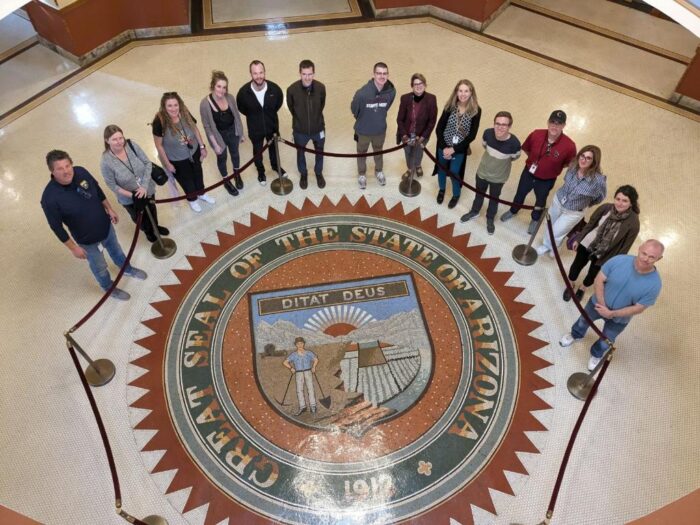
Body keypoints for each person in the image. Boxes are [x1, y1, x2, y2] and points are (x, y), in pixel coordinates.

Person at [41, 150, 147, 301]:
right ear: (52, 171)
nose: (66, 171)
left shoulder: (81, 172)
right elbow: (56, 227)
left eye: (67, 165)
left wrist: (109, 208)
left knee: (116, 250)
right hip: (87, 241)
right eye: (60, 168)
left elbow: (97, 190)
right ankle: (108, 287)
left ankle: (127, 269)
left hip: (106, 227)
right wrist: (74, 248)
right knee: (99, 267)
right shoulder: (49, 198)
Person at [559, 239, 663, 371]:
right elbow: (599, 279)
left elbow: (639, 308)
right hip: (596, 304)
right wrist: (602, 304)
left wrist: (612, 313)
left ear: (659, 259)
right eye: (644, 253)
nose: (646, 259)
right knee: (583, 321)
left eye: (652, 257)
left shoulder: (655, 284)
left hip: (620, 319)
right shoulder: (619, 260)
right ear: (639, 248)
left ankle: (596, 354)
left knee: (607, 339)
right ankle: (575, 334)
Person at [500, 110, 577, 234]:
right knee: (520, 193)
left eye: (559, 123)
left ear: (563, 126)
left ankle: (535, 219)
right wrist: (535, 161)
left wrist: (551, 167)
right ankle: (513, 210)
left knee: (540, 200)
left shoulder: (569, 145)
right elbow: (527, 149)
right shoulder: (536, 134)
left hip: (547, 179)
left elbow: (569, 163)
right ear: (547, 122)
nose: (554, 126)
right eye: (552, 122)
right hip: (528, 173)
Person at [563, 185, 640, 303]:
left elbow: (625, 247)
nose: (620, 203)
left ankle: (583, 288)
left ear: (631, 203)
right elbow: (590, 225)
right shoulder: (605, 208)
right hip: (588, 243)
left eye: (625, 201)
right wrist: (578, 239)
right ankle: (571, 284)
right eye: (618, 199)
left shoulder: (634, 222)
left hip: (606, 254)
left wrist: (615, 264)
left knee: (593, 273)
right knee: (576, 265)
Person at [100, 125, 168, 243]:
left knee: (152, 209)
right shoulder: (106, 161)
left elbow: (147, 163)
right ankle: (149, 232)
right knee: (140, 218)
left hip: (147, 189)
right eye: (114, 139)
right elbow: (111, 185)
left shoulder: (131, 145)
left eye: (121, 138)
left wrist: (144, 186)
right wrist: (133, 195)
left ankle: (156, 227)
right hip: (130, 198)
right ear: (107, 141)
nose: (119, 142)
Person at [535, 145, 607, 257]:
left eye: (588, 158)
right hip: (558, 201)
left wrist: (586, 204)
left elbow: (600, 197)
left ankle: (554, 246)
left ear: (594, 162)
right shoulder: (573, 166)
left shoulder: (598, 181)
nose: (583, 160)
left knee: (557, 231)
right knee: (549, 225)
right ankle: (546, 245)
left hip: (574, 212)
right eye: (582, 156)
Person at [460, 111, 521, 234]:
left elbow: (515, 157)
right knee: (479, 194)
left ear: (509, 127)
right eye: (497, 123)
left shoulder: (514, 143)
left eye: (504, 124)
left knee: (494, 199)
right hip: (482, 172)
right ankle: (475, 211)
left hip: (498, 178)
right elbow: (485, 146)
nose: (500, 127)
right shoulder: (487, 133)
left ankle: (490, 218)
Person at [152, 92, 213, 213]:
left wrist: (202, 146)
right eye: (169, 106)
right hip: (177, 159)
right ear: (164, 107)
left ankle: (201, 193)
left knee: (198, 174)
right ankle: (192, 199)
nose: (173, 108)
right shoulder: (159, 121)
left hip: (193, 152)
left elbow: (195, 129)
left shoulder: (184, 112)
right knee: (186, 181)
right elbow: (158, 145)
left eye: (176, 105)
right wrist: (168, 164)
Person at [434, 79, 481, 209]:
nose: (463, 94)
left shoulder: (476, 111)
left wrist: (453, 149)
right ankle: (442, 190)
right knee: (441, 168)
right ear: (456, 92)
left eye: (466, 91)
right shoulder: (449, 106)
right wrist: (444, 148)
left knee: (455, 172)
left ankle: (456, 194)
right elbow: (439, 128)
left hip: (459, 148)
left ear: (471, 93)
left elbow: (472, 135)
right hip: (443, 145)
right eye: (460, 90)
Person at [236, 60, 284, 186]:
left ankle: (276, 167)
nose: (259, 76)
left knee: (274, 149)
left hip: (272, 127)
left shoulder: (275, 89)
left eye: (261, 72)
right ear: (250, 74)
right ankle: (261, 172)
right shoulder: (243, 93)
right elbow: (242, 108)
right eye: (255, 73)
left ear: (265, 72)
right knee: (257, 152)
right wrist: (254, 116)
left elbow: (278, 104)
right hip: (255, 130)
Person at [350, 62, 396, 189]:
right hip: (363, 132)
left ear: (388, 74)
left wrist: (377, 117)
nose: (382, 76)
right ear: (373, 74)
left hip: (379, 131)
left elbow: (386, 107)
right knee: (361, 153)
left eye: (385, 73)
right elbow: (354, 109)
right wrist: (366, 119)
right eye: (379, 73)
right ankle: (361, 174)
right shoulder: (362, 94)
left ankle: (379, 171)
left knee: (378, 151)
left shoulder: (391, 91)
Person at [199, 70, 245, 196]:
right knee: (222, 158)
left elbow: (236, 115)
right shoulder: (205, 104)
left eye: (224, 87)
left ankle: (237, 174)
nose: (222, 90)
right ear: (213, 86)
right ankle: (226, 180)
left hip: (233, 132)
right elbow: (207, 127)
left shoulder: (230, 97)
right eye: (219, 86)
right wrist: (216, 145)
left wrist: (240, 133)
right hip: (219, 136)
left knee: (235, 154)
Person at [286, 59, 327, 190]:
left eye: (310, 74)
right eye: (304, 74)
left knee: (320, 152)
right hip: (300, 130)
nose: (307, 77)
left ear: (314, 74)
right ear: (300, 73)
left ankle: (318, 173)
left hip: (318, 128)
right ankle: (303, 174)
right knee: (300, 153)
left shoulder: (321, 88)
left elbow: (322, 105)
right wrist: (300, 120)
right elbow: (291, 108)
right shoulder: (292, 90)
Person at [396, 73, 437, 180]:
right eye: (415, 84)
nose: (418, 86)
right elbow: (399, 119)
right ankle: (410, 169)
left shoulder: (431, 99)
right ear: (412, 86)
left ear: (425, 84)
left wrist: (423, 136)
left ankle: (418, 165)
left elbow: (432, 121)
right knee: (408, 151)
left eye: (421, 83)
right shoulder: (405, 98)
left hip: (422, 134)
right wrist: (404, 135)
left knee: (419, 151)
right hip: (407, 133)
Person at [283, 337, 319, 415]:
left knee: (310, 388)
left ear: (303, 344)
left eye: (301, 343)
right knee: (299, 390)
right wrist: (291, 368)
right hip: (298, 373)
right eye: (298, 344)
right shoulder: (294, 354)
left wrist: (313, 367)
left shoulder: (308, 353)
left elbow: (316, 359)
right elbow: (285, 362)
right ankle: (302, 407)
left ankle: (313, 406)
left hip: (308, 371)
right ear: (296, 345)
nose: (300, 345)